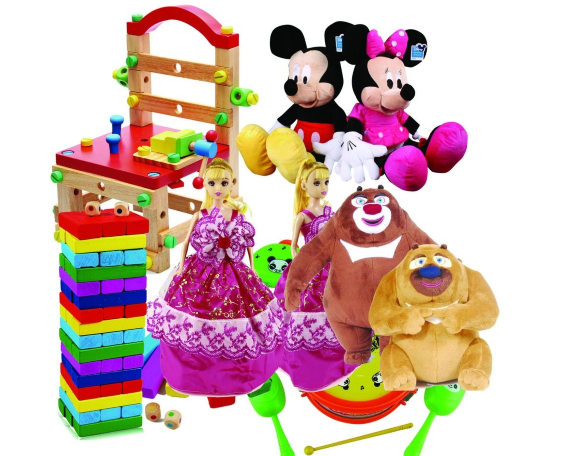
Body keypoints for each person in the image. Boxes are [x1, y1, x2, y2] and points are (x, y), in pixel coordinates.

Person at [147, 158, 282, 400]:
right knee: (193, 314)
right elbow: (186, 242)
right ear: (205, 185)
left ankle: (231, 372)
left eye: (223, 182)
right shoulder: (201, 214)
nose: (218, 188)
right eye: (212, 183)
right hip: (200, 269)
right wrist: (180, 268)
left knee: (241, 314)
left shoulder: (237, 213)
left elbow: (248, 243)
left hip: (232, 271)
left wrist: (253, 269)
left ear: (232, 183)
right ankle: (194, 372)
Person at [274, 160, 357, 391]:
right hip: (309, 269)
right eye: (317, 183)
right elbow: (294, 245)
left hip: (331, 266)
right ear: (304, 186)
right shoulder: (303, 216)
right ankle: (307, 364)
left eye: (326, 182)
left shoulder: (331, 211)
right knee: (305, 312)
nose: (323, 187)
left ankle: (338, 357)